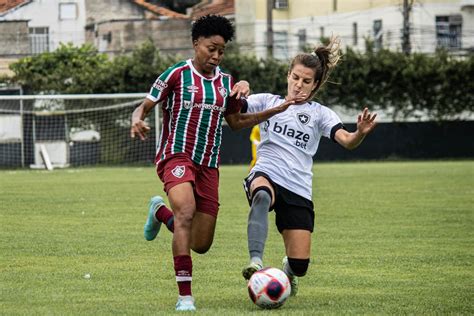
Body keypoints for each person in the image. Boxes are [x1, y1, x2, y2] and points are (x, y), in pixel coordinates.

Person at [130, 14, 306, 312]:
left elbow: (237, 122)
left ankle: (160, 213)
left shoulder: (227, 83)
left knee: (201, 243)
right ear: (196, 43)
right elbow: (144, 106)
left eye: (221, 50)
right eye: (211, 48)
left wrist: (275, 110)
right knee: (185, 212)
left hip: (208, 165)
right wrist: (137, 120)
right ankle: (185, 297)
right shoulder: (175, 74)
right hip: (176, 155)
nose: (216, 55)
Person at [240, 37, 377, 297]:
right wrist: (239, 87)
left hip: (298, 187)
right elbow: (235, 106)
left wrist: (360, 132)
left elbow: (347, 141)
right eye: (295, 78)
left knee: (300, 266)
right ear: (288, 75)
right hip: (266, 172)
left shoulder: (320, 114)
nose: (298, 85)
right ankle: (255, 261)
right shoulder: (267, 101)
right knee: (260, 195)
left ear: (314, 85)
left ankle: (288, 271)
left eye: (305, 81)